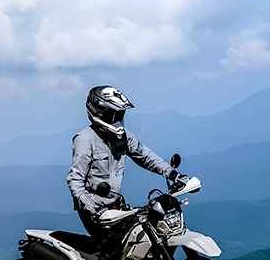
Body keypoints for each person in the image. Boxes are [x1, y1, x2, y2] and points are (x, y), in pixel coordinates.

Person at [68, 85, 188, 239]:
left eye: (120, 115)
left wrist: (172, 174)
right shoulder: (85, 140)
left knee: (143, 238)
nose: (117, 120)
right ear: (99, 113)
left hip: (116, 205)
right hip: (94, 210)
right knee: (113, 254)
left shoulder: (123, 136)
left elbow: (145, 156)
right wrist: (92, 208)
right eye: (112, 115)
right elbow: (75, 180)